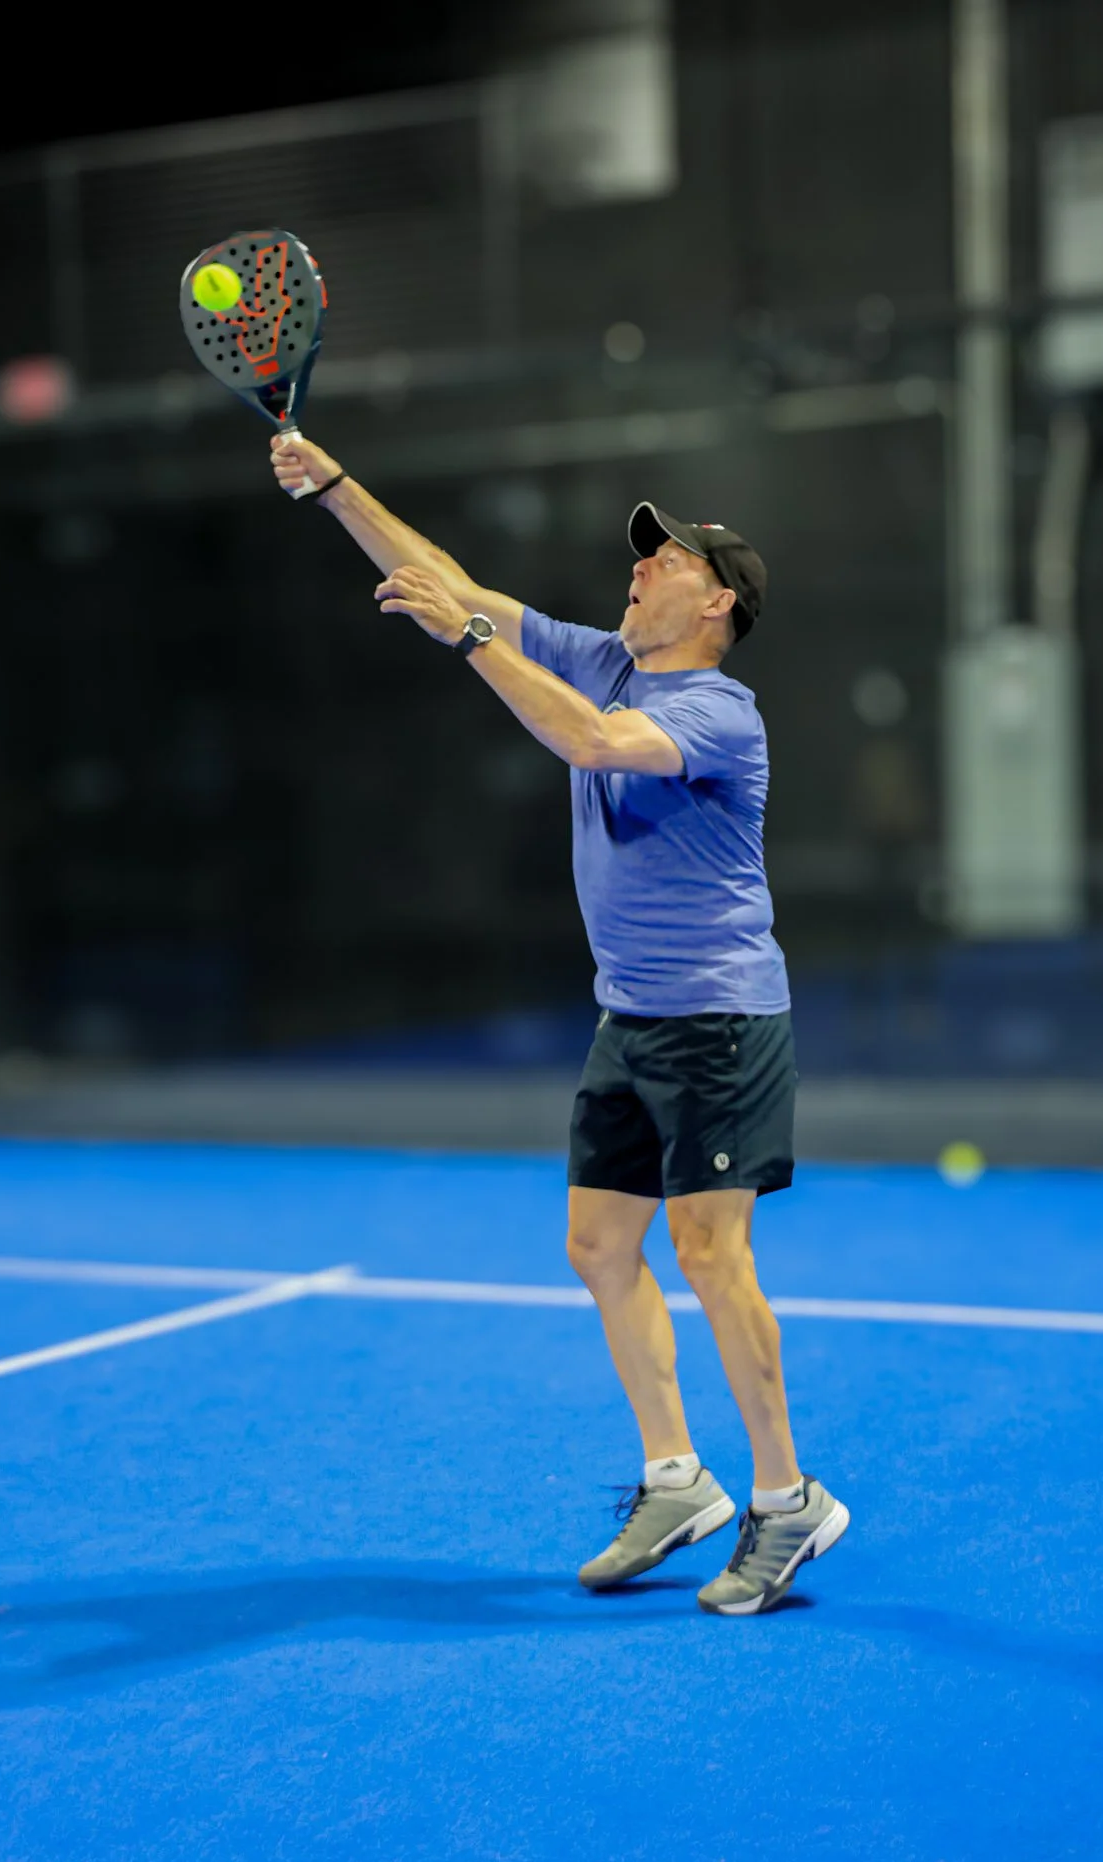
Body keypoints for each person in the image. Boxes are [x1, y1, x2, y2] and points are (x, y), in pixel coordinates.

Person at [270, 433, 849, 1616]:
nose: (636, 570)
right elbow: (448, 578)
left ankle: (788, 1501)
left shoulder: (719, 712)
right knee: (597, 1245)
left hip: (719, 1019)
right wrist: (333, 488)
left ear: (717, 599)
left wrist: (471, 638)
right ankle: (677, 1479)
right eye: (639, 559)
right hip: (630, 1016)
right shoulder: (608, 660)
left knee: (708, 1254)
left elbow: (583, 739)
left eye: (664, 563)